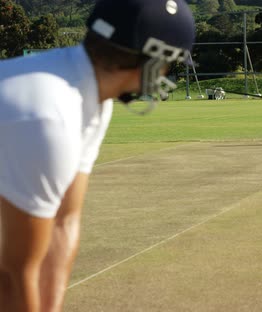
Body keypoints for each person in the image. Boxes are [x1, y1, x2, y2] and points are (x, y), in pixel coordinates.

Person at [0, 0, 195, 311]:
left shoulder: (92, 97)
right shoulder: (50, 116)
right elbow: (12, 276)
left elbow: (64, 221)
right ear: (154, 61)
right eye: (170, 64)